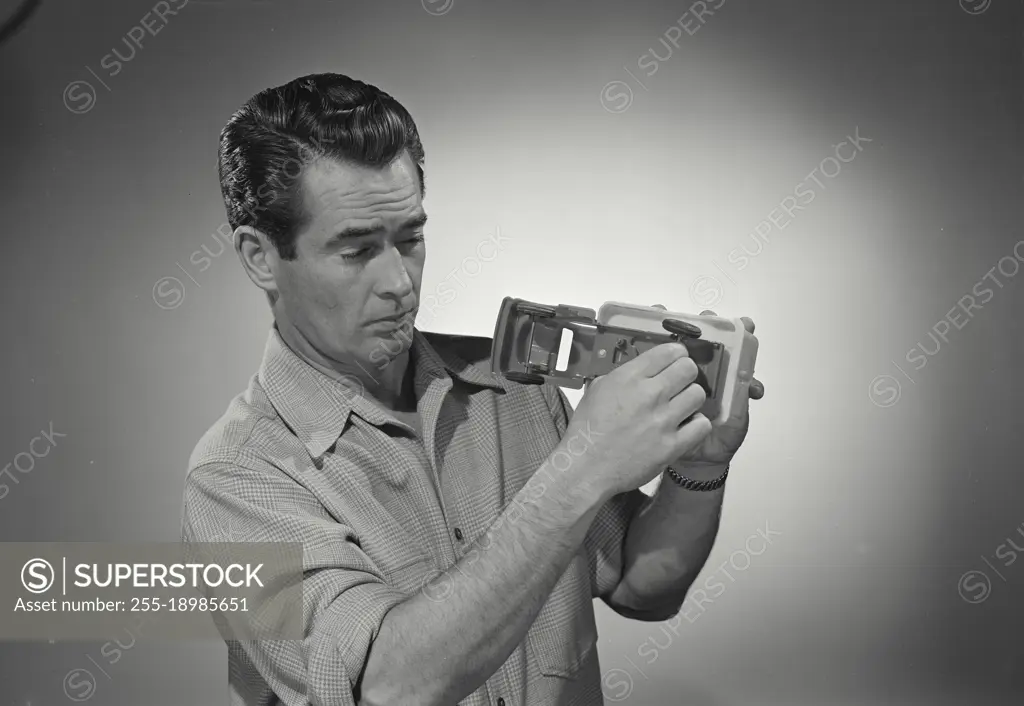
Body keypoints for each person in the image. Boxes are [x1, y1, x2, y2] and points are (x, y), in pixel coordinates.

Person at [180, 72, 764, 706]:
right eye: (356, 252)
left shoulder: (511, 389)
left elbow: (640, 586)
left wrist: (701, 467)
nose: (399, 282)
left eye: (410, 239)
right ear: (261, 257)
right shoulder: (233, 480)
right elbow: (390, 688)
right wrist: (581, 467)